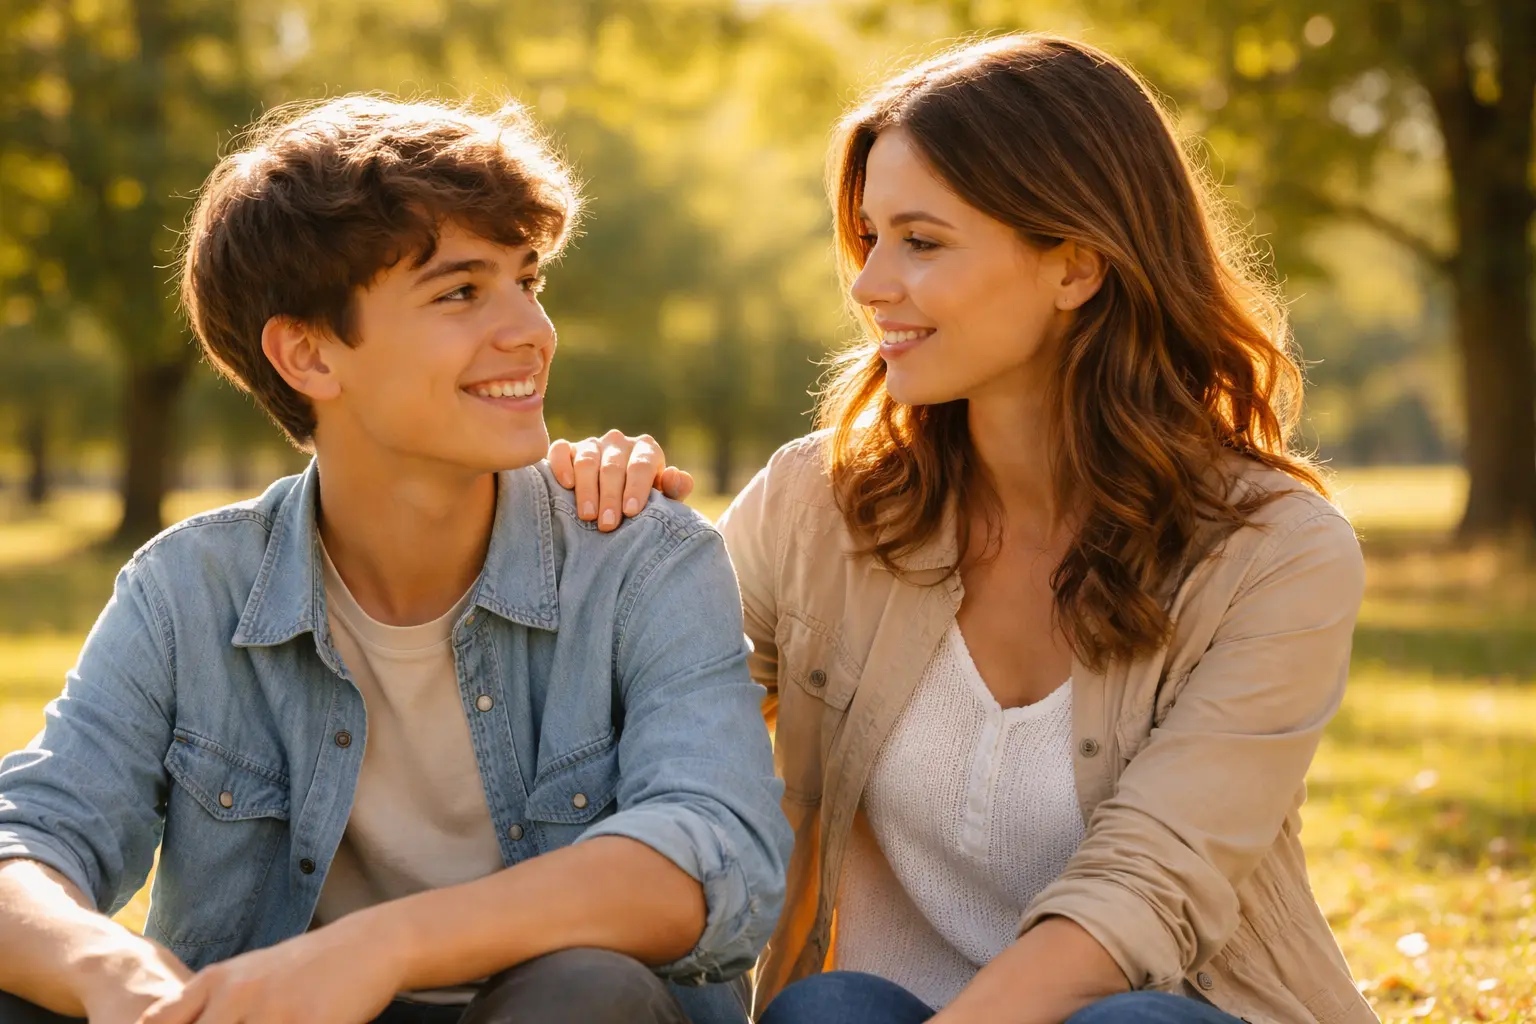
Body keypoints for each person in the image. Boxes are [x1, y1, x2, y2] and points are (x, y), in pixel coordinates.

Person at [550, 33, 1377, 1024]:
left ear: (1074, 267)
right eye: (869, 237)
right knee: (830, 1010)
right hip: (876, 1012)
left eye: (923, 241)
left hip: (1165, 1009)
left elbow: (1148, 885)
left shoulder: (1274, 552)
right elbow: (644, 730)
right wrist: (616, 539)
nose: (867, 285)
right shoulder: (818, 506)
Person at [0, 96, 790, 1024]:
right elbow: (28, 841)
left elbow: (708, 856)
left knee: (589, 991)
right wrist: (118, 980)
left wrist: (381, 946)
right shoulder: (188, 591)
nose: (530, 332)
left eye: (527, 281)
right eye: (461, 292)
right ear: (308, 354)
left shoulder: (643, 562)